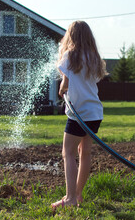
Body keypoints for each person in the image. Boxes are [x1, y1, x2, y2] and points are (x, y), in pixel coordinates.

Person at [51, 21, 107, 209]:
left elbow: (65, 82)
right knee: (86, 153)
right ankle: (78, 195)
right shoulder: (94, 58)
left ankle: (70, 198)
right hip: (94, 112)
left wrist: (62, 87)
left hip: (78, 113)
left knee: (68, 153)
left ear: (71, 36)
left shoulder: (69, 56)